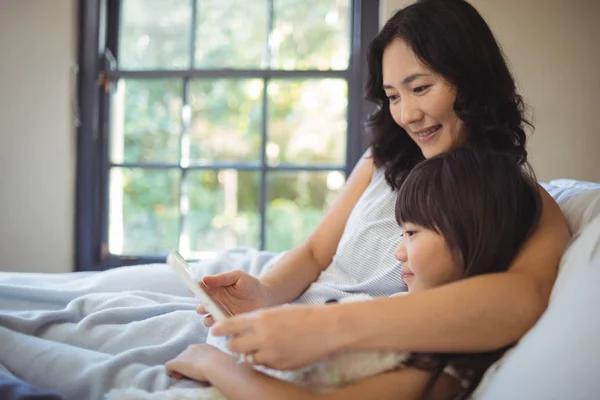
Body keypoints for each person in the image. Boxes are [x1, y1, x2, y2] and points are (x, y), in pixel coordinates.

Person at [190, 0, 569, 374]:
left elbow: (522, 297)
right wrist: (265, 294)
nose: (406, 115)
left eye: (420, 88)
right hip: (287, 319)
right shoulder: (383, 158)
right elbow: (314, 253)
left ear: (472, 81)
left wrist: (325, 327)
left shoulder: (517, 197)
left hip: (334, 348)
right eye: (392, 96)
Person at [165, 148, 543, 400]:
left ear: (471, 236)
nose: (398, 252)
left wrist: (210, 363)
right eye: (392, 95)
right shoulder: (402, 312)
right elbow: (314, 251)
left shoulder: (443, 351)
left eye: (411, 234)